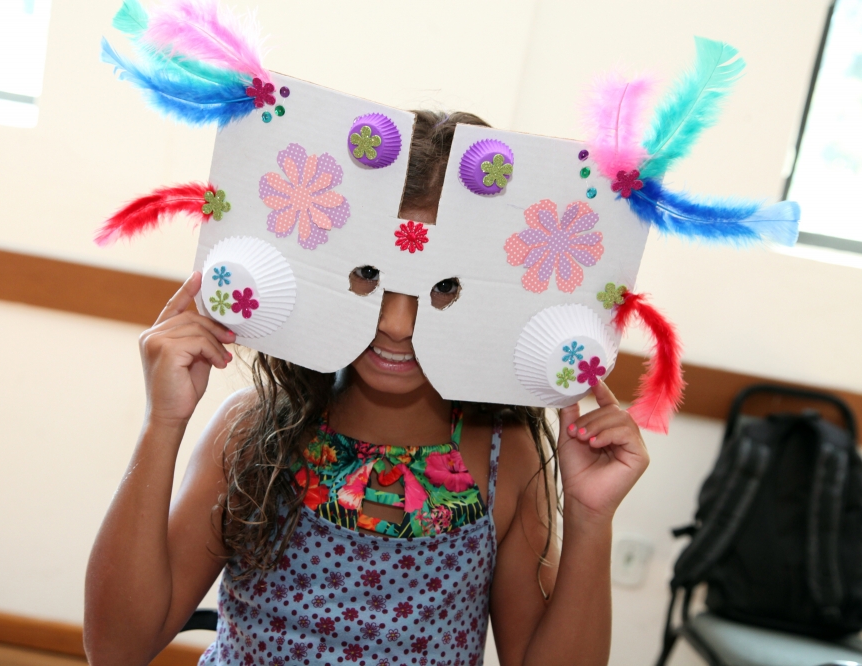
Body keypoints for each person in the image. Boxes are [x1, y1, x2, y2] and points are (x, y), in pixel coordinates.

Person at [84, 112, 649, 666]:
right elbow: (116, 650)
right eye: (370, 276)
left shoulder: (505, 458)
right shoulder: (251, 430)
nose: (398, 324)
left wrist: (590, 520)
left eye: (444, 287)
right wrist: (163, 424)